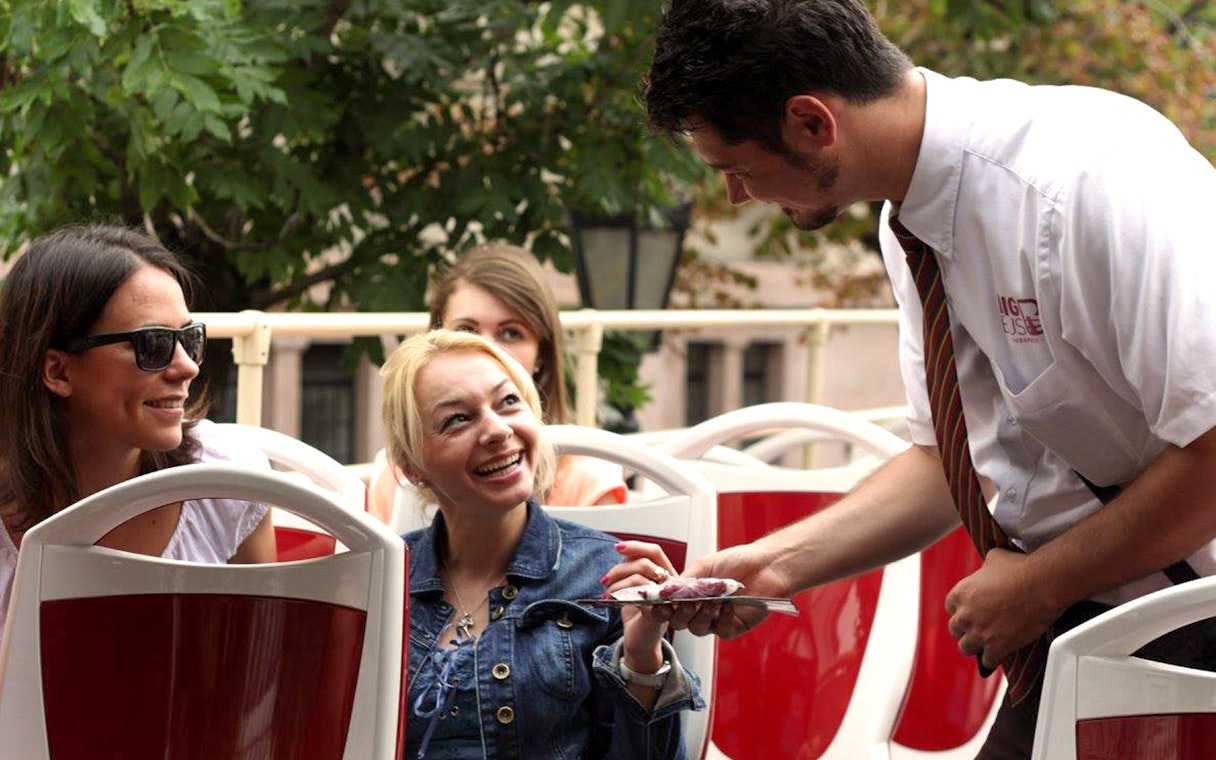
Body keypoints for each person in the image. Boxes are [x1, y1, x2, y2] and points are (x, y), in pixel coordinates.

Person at [643, 0, 1216, 756]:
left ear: (812, 122)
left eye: (736, 169)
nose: (736, 196)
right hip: (1082, 629)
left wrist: (1041, 583)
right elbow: (950, 462)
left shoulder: (1086, 180)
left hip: (1187, 627)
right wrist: (774, 566)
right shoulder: (907, 222)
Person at [381, 329, 702, 758]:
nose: (498, 430)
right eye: (457, 419)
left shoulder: (608, 579)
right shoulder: (383, 579)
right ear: (412, 466)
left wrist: (642, 659)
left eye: (508, 402)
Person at [0, 224, 276, 636]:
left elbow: (262, 654)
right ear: (57, 371)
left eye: (190, 339)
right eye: (153, 344)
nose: (188, 367)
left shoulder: (228, 487)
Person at [368, 242, 627, 523]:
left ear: (541, 353)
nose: (485, 352)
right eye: (466, 332)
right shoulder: (396, 481)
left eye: (511, 333)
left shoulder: (589, 481)